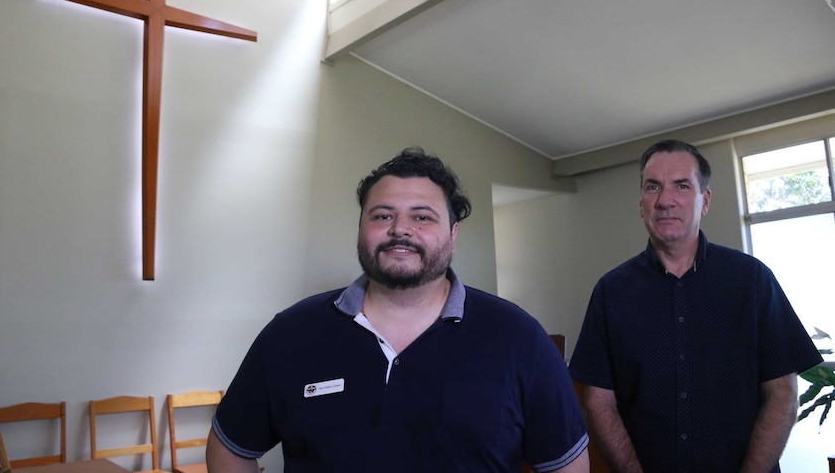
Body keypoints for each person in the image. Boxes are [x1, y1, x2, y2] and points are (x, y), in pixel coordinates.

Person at [207, 147, 590, 473]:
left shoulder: (519, 338)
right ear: (361, 229)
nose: (400, 229)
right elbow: (230, 448)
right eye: (382, 215)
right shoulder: (290, 335)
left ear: (453, 236)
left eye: (422, 216)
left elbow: (566, 464)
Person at [569, 139, 823, 473]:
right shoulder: (611, 292)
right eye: (653, 186)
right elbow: (597, 402)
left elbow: (782, 394)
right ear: (641, 203)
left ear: (705, 201)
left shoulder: (752, 280)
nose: (665, 201)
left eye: (682, 186)